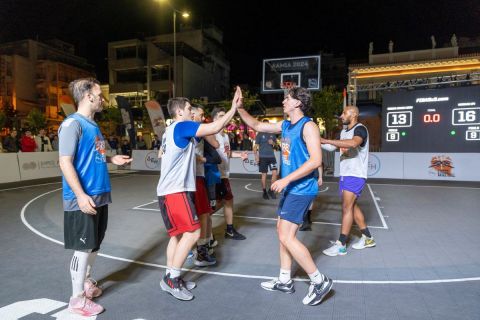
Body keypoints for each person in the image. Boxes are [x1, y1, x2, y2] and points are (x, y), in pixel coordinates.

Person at [237, 86, 333, 306]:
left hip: (301, 189)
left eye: (287, 99)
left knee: (286, 237)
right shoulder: (286, 125)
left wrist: (287, 179)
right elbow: (256, 125)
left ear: (298, 102)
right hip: (291, 189)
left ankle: (319, 281)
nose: (283, 101)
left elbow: (316, 160)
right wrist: (240, 108)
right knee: (281, 233)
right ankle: (284, 280)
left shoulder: (308, 126)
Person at [156, 87, 241, 301]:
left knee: (177, 235)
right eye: (187, 108)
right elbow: (217, 126)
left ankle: (169, 275)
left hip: (170, 190)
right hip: (176, 190)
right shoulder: (182, 126)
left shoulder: (171, 129)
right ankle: (173, 279)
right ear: (179, 113)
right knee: (193, 233)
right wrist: (233, 108)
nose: (191, 111)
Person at [58, 78, 132, 316]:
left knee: (94, 245)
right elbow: (64, 162)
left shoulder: (93, 126)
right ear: (88, 96)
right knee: (82, 248)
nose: (103, 98)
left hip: (100, 195)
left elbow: (92, 156)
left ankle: (86, 283)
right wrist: (80, 195)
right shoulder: (72, 124)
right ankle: (76, 299)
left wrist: (112, 159)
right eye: (100, 94)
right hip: (82, 197)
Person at [321, 105, 376, 256]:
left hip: (355, 174)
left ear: (353, 114)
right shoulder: (344, 131)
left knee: (346, 208)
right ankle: (368, 238)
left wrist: (325, 139)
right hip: (346, 174)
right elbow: (333, 148)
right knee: (351, 206)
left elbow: (353, 143)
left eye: (344, 113)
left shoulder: (360, 129)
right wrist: (316, 141)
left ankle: (341, 244)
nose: (341, 115)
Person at [211, 107, 247, 240]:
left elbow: (228, 153)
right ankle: (205, 224)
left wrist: (239, 155)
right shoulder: (212, 135)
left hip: (224, 174)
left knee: (226, 201)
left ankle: (227, 229)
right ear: (215, 119)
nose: (224, 118)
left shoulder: (225, 135)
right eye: (221, 115)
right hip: (217, 175)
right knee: (226, 201)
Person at [191, 104, 219, 267]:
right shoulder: (194, 128)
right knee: (202, 215)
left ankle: (203, 246)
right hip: (193, 177)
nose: (203, 118)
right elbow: (215, 143)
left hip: (196, 176)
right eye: (200, 115)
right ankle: (200, 252)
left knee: (205, 214)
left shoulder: (177, 129)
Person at [254, 120, 279, 200]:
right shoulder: (260, 134)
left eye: (267, 124)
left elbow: (276, 146)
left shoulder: (272, 134)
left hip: (271, 157)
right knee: (264, 174)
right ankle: (264, 191)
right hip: (263, 157)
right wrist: (256, 156)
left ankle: (271, 190)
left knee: (275, 173)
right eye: (265, 124)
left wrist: (273, 143)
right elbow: (255, 146)